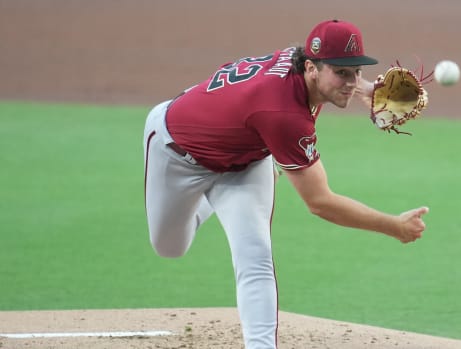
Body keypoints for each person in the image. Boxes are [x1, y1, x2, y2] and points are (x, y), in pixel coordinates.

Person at [142, 19, 429, 349]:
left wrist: (369, 89)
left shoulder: (303, 63)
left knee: (256, 256)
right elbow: (320, 202)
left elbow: (331, 76)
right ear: (311, 67)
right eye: (342, 73)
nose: (351, 82)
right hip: (176, 152)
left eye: (355, 72)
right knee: (170, 247)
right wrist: (392, 226)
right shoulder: (283, 114)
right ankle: (210, 199)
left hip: (246, 162)